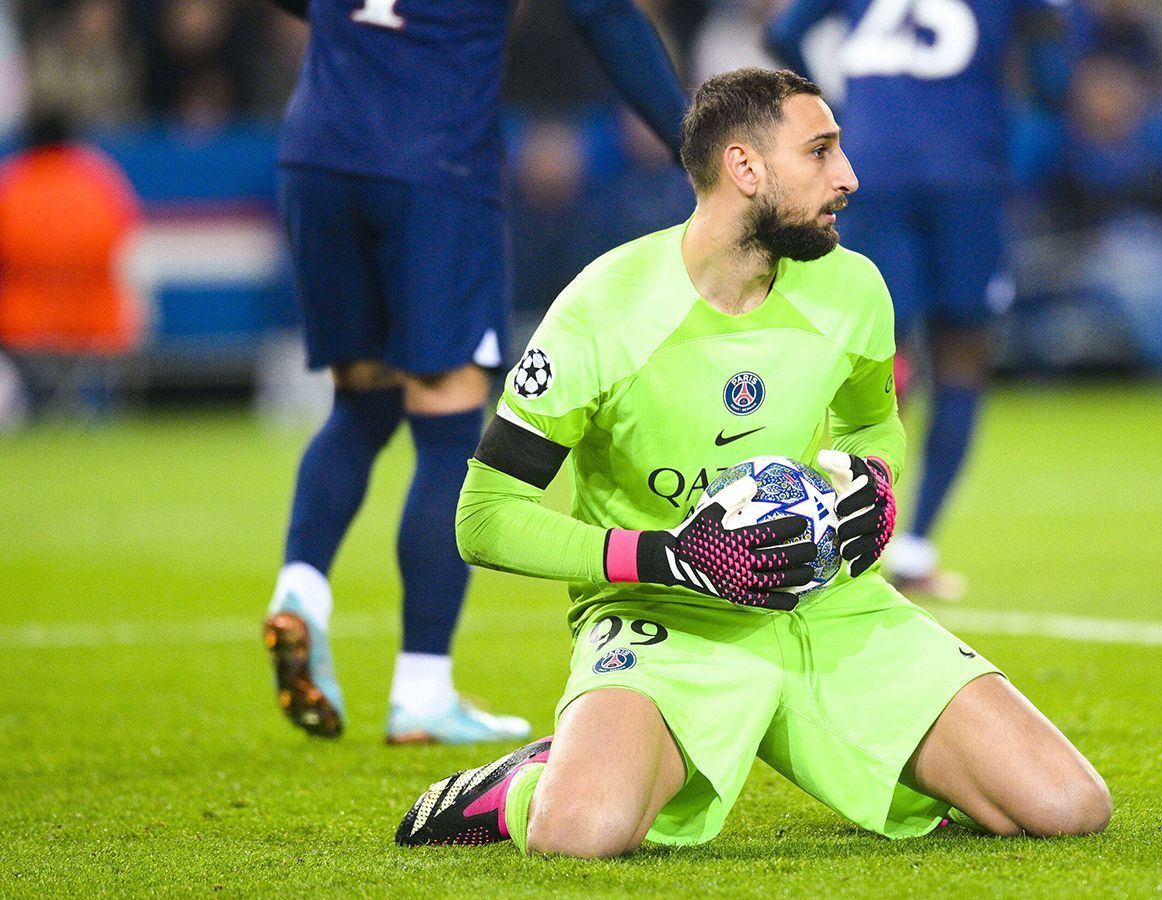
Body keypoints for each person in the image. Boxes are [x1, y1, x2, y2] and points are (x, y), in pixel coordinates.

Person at [392, 68, 1110, 857]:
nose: (850, 177)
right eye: (822, 151)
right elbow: (483, 519)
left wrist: (873, 480)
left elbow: (873, 422)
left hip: (824, 604)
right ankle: (523, 785)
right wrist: (668, 558)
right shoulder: (604, 310)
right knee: (581, 833)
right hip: (668, 617)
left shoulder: (853, 288)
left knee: (1069, 804)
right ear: (745, 168)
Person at [259, 0, 689, 744]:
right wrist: (696, 146)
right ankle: (421, 691)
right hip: (432, 163)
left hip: (316, 154)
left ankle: (301, 589)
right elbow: (605, 16)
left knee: (359, 405)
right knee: (446, 421)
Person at [765, 0, 1069, 601]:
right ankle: (914, 543)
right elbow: (1053, 83)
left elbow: (783, 33)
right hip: (965, 175)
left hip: (874, 170)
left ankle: (829, 535)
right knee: (960, 352)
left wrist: (837, 115)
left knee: (876, 354)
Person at [0, 107, 142, 422]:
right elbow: (123, 246)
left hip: (25, 322)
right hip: (97, 320)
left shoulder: (12, 183)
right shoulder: (99, 180)